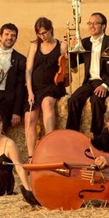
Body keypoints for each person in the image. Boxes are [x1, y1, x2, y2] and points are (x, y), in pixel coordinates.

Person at [64, 12, 109, 138]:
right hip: (90, 82)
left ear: (104, 26)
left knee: (96, 100)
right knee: (73, 99)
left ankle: (97, 135)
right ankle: (71, 134)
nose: (92, 26)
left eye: (96, 23)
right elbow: (73, 64)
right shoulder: (85, 43)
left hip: (106, 81)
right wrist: (72, 49)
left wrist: (106, 86)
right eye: (90, 23)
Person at [24, 17, 68, 154]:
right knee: (30, 118)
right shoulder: (34, 46)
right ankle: (31, 155)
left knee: (47, 103)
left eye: (44, 33)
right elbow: (29, 70)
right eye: (39, 34)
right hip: (35, 88)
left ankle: (50, 145)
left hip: (53, 86)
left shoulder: (61, 46)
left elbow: (67, 71)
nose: (42, 36)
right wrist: (30, 92)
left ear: (51, 30)